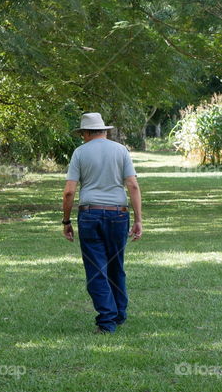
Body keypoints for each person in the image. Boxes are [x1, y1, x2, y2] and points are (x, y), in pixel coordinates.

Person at [62, 112, 143, 333]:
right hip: (119, 214)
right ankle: (119, 313)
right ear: (104, 131)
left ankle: (107, 320)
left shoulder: (80, 153)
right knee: (116, 266)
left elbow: (69, 191)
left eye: (82, 134)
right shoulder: (121, 150)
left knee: (97, 269)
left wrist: (66, 221)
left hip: (90, 215)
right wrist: (138, 220)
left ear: (86, 133)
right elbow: (133, 186)